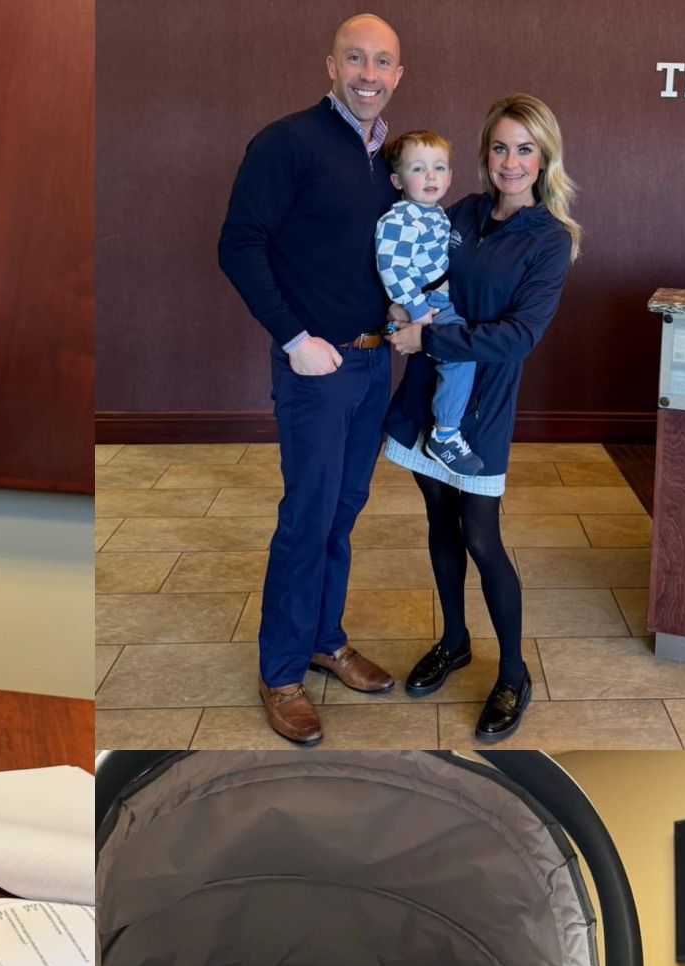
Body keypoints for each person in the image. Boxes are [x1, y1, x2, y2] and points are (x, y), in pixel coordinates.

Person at [218, 14, 402, 747]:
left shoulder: (391, 156)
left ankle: (326, 637)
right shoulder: (286, 143)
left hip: (372, 361)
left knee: (344, 509)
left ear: (397, 75)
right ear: (330, 67)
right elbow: (238, 245)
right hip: (316, 369)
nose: (368, 73)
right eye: (355, 58)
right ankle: (283, 671)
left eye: (382, 62)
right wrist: (294, 339)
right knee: (308, 515)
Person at [384, 95, 581, 742]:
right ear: (484, 154)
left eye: (525, 148)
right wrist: (396, 309)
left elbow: (520, 335)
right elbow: (416, 272)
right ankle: (454, 641)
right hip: (425, 397)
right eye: (500, 147)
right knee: (438, 520)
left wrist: (428, 340)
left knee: (482, 536)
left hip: (482, 408)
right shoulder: (460, 213)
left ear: (544, 155)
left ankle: (514, 673)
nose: (511, 161)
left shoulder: (550, 238)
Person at [374, 131, 482, 478]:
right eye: (418, 169)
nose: (431, 176)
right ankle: (445, 435)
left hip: (438, 295)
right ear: (398, 180)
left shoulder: (434, 214)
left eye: (439, 168)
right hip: (426, 300)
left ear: (450, 176)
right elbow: (392, 267)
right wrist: (418, 312)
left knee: (460, 355)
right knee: (461, 355)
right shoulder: (399, 219)